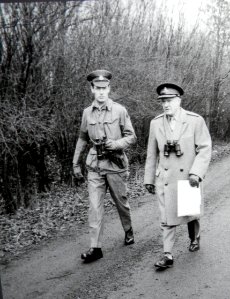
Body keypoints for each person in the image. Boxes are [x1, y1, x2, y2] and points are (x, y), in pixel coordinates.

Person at [144, 83, 212, 270]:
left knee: (190, 213)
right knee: (166, 217)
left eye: (170, 100)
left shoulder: (194, 120)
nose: (166, 104)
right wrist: (149, 178)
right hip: (165, 178)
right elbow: (151, 153)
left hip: (187, 177)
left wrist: (196, 173)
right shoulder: (156, 123)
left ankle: (194, 237)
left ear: (179, 100)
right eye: (163, 101)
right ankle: (168, 254)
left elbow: (205, 148)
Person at [73, 70, 137, 263]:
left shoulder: (120, 110)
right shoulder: (86, 112)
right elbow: (83, 138)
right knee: (94, 207)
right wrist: (75, 163)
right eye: (97, 88)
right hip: (95, 166)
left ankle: (128, 230)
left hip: (116, 164)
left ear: (109, 89)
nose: (101, 92)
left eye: (104, 88)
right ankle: (96, 247)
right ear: (92, 89)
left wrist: (116, 144)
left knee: (121, 203)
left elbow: (132, 136)